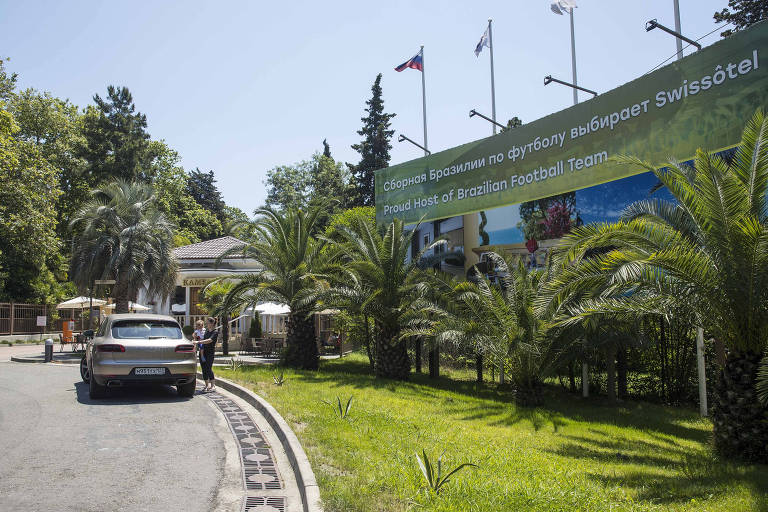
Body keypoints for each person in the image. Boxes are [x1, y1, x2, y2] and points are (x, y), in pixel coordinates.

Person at [199, 317, 218, 392]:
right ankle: (206, 385)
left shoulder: (215, 332)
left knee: (208, 368)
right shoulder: (206, 331)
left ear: (212, 323)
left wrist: (199, 342)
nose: (206, 324)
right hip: (203, 352)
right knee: (204, 369)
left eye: (208, 322)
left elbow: (210, 340)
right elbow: (202, 340)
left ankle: (213, 385)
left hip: (210, 352)